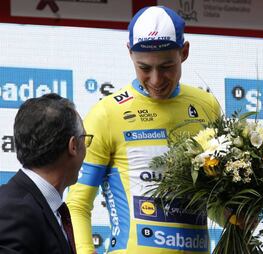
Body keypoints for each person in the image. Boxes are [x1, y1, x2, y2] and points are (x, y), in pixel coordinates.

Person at [66, 5, 221, 254]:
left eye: (167, 66)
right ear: (129, 54)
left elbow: (210, 199)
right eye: (144, 68)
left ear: (185, 52)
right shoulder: (107, 113)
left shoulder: (206, 106)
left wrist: (238, 216)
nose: (156, 80)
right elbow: (78, 203)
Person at [0, 93, 91, 254]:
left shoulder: (41, 206)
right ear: (73, 146)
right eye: (85, 139)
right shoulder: (14, 211)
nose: (86, 148)